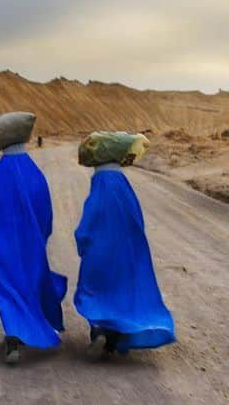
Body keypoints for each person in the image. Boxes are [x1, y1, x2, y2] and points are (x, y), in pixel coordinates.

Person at [74, 136, 175, 360]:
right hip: (125, 255)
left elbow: (88, 224)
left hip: (99, 255)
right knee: (119, 294)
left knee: (94, 292)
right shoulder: (124, 188)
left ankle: (98, 331)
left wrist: (82, 242)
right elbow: (137, 223)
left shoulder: (99, 188)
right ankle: (113, 341)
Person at [0, 113, 67, 365]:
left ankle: (12, 338)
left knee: (8, 287)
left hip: (3, 246)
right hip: (31, 245)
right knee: (29, 283)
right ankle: (29, 329)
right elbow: (45, 212)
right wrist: (41, 237)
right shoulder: (35, 174)